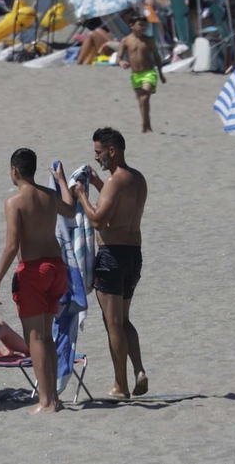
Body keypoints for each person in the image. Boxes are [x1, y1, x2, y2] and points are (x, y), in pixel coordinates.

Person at [0, 147, 75, 414]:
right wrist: (61, 181)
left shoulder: (14, 202)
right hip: (57, 267)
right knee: (47, 336)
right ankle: (54, 398)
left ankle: (45, 401)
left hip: (34, 271)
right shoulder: (49, 195)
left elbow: (12, 245)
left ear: (15, 171)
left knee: (35, 337)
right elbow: (71, 210)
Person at [67, 127, 148, 400]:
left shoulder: (115, 182)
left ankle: (120, 386)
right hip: (133, 255)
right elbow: (118, 205)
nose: (97, 157)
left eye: (99, 152)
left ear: (112, 151)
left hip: (112, 256)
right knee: (124, 320)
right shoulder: (137, 179)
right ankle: (138, 369)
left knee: (112, 323)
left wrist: (81, 195)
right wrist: (98, 183)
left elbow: (99, 220)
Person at [116, 13, 166, 134]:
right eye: (140, 25)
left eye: (145, 25)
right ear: (132, 25)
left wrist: (161, 74)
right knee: (141, 101)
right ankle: (147, 125)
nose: (143, 27)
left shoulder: (149, 40)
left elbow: (157, 57)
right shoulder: (126, 40)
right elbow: (119, 58)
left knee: (145, 98)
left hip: (149, 73)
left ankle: (143, 126)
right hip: (135, 75)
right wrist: (122, 62)